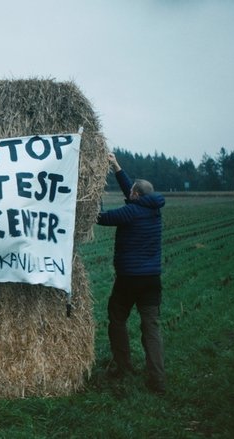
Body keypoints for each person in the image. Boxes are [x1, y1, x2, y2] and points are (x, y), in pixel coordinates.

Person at [96, 152, 166, 394]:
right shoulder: (154, 210)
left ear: (136, 195)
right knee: (152, 328)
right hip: (152, 280)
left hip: (128, 279)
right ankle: (157, 378)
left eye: (132, 193)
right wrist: (116, 166)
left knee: (116, 317)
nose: (130, 194)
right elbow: (132, 191)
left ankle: (123, 366)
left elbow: (100, 218)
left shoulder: (130, 213)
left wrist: (95, 196)